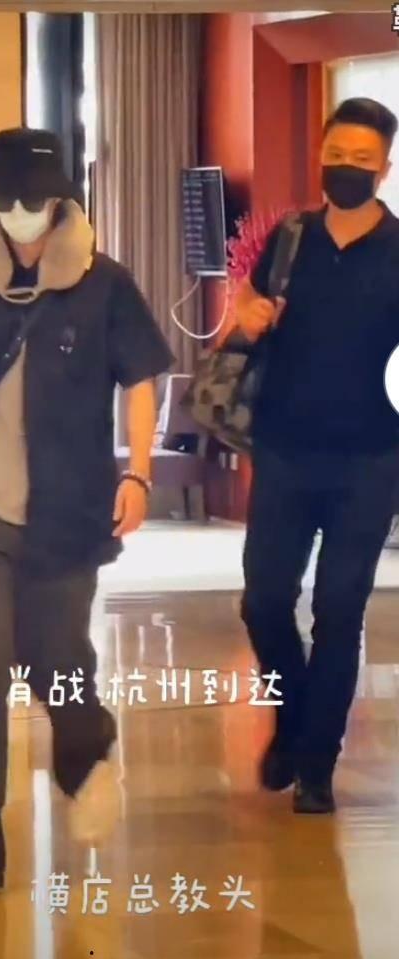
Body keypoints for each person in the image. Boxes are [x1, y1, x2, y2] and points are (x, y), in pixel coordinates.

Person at [0, 128, 174, 893]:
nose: (20, 213)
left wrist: (139, 473)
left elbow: (141, 379)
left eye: (34, 200)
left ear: (59, 202)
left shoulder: (103, 283)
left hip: (66, 510)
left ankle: (87, 756)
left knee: (58, 663)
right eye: (8, 199)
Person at [233, 98, 399, 814]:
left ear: (384, 169)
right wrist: (247, 316)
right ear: (321, 156)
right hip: (285, 451)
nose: (347, 169)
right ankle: (293, 716)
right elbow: (248, 311)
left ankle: (316, 764)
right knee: (264, 600)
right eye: (337, 155)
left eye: (362, 160)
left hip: (371, 460)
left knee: (339, 608)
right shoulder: (291, 238)